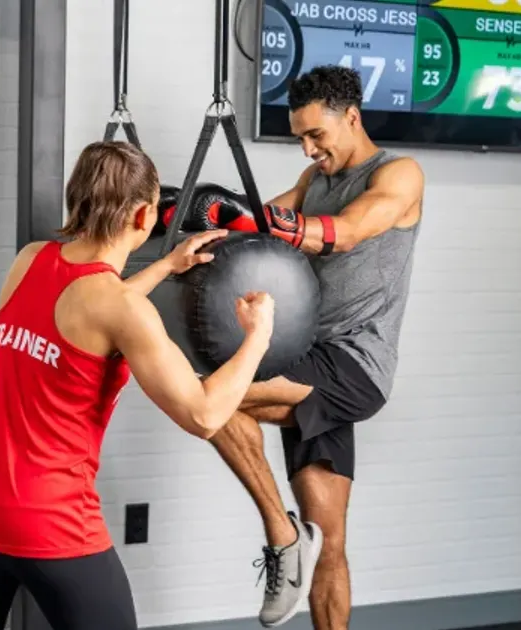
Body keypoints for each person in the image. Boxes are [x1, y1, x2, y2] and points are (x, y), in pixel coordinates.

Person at [0, 141, 277, 630]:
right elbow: (204, 415)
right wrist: (259, 336)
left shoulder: (29, 261)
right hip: (52, 518)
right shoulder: (120, 308)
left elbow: (80, 316)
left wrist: (164, 267)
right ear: (142, 216)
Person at [206, 65, 426, 629]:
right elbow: (252, 222)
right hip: (309, 361)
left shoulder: (399, 175)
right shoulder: (314, 181)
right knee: (329, 543)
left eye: (316, 136)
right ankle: (298, 539)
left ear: (351, 117)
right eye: (300, 138)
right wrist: (194, 218)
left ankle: (282, 536)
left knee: (206, 395)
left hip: (355, 366)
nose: (307, 150)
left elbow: (346, 232)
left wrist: (257, 220)